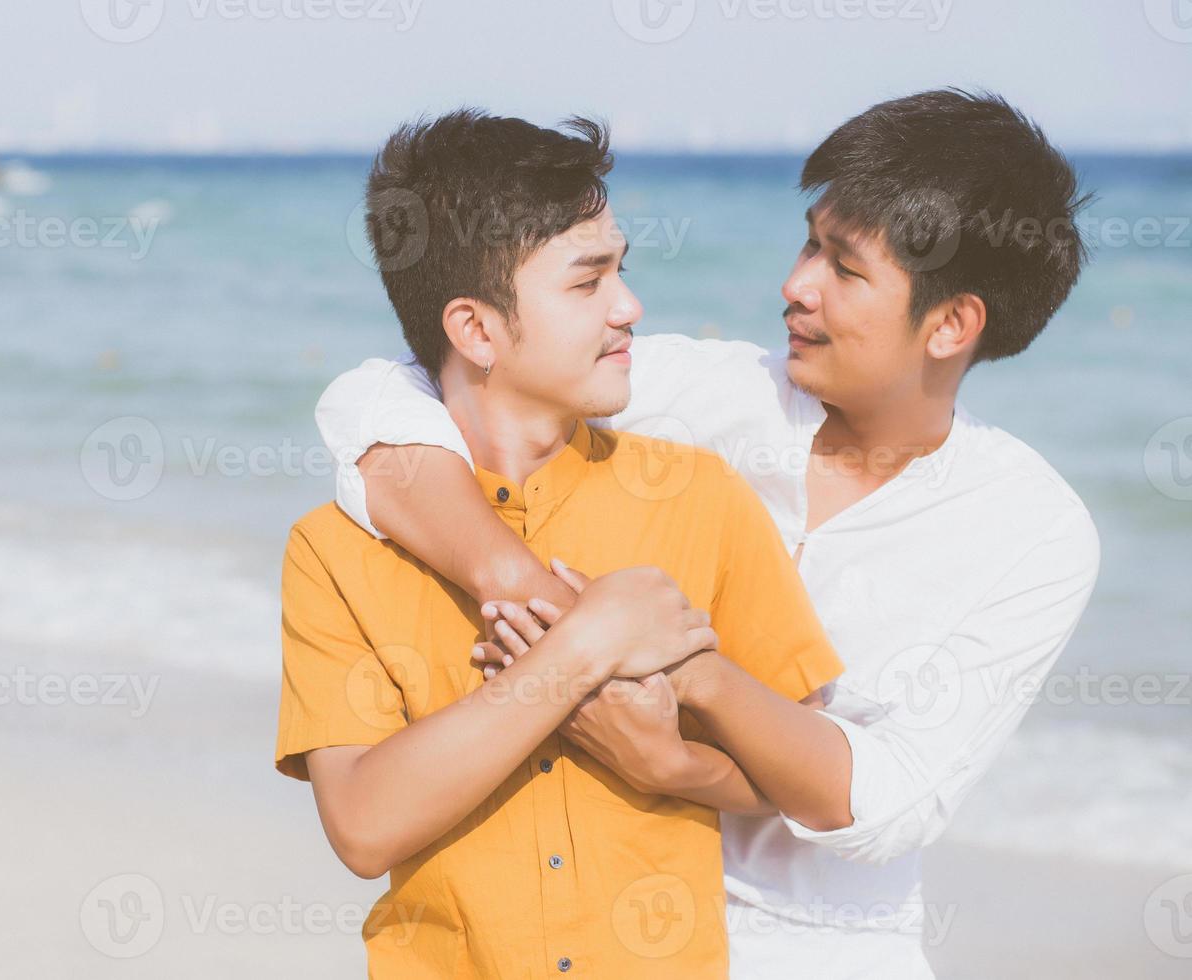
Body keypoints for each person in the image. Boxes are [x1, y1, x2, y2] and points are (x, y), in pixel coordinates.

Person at [314, 90, 1100, 978]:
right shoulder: (712, 397)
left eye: (843, 268)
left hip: (826, 947)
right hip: (600, 907)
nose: (795, 285)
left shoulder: (1034, 531)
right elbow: (384, 404)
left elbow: (892, 800)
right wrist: (529, 588)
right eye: (810, 241)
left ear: (951, 324)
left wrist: (684, 703)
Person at [275, 109, 846, 978]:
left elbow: (814, 783)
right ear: (474, 330)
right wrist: (580, 646)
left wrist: (679, 750)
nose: (629, 308)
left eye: (623, 270)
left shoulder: (700, 497)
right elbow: (361, 825)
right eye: (588, 283)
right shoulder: (333, 549)